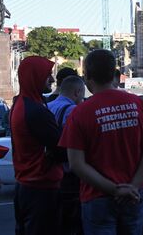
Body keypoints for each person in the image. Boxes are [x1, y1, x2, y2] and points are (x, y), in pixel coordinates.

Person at [59, 49, 143, 234]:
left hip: (98, 196)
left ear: (87, 76)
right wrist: (133, 186)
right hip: (134, 195)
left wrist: (114, 189)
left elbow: (76, 164)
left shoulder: (80, 112)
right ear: (114, 72)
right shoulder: (136, 104)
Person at [10, 56, 63, 234]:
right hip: (41, 187)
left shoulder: (20, 103)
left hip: (26, 185)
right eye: (47, 75)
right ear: (35, 77)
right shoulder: (36, 111)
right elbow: (61, 149)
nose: (53, 80)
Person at [47, 75, 86, 235]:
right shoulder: (73, 111)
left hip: (52, 170)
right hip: (70, 172)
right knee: (73, 222)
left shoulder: (47, 106)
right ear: (77, 92)